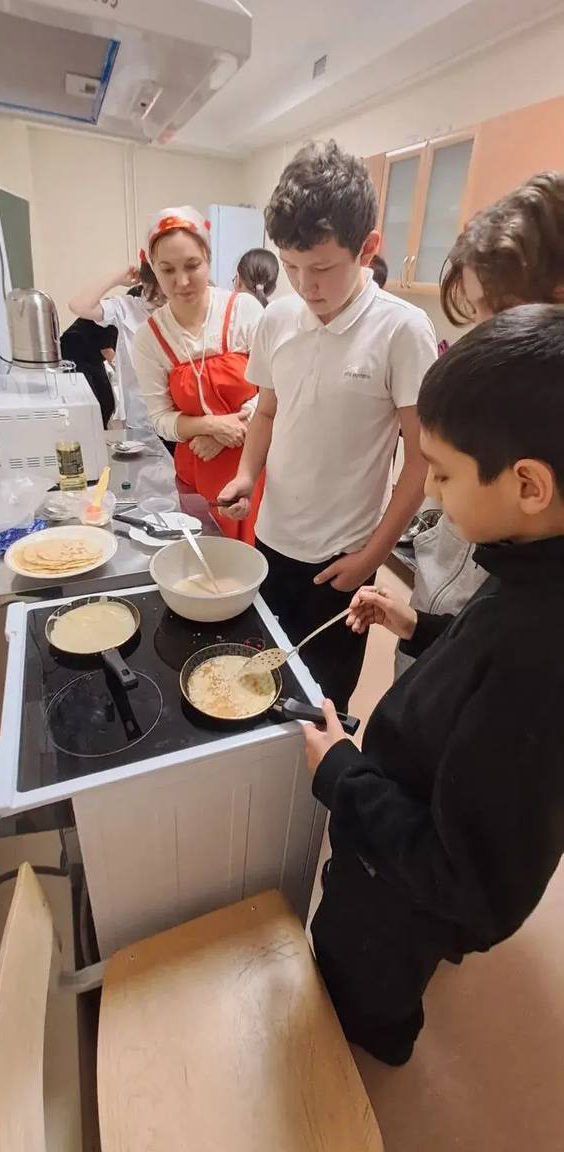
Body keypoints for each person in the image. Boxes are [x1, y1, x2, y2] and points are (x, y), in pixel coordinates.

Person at [303, 305, 564, 1066]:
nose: (430, 494)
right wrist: (416, 625)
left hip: (403, 881)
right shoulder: (529, 562)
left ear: (527, 483)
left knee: (362, 989)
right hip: (403, 833)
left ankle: (374, 1041)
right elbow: (480, 659)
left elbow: (466, 881)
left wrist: (341, 774)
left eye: (442, 474)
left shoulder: (538, 656)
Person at [219, 141, 437, 711]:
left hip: (343, 558)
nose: (304, 285)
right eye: (290, 267)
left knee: (322, 704)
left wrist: (371, 558)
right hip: (272, 538)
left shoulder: (402, 330)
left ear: (368, 249)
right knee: (260, 685)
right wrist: (246, 475)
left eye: (321, 268)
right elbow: (268, 411)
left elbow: (421, 461)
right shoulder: (277, 319)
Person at [396, 171, 564, 675]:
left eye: (502, 313)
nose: (484, 336)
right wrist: (419, 625)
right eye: (477, 314)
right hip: (440, 626)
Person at [132, 206, 264, 542]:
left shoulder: (244, 311)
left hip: (258, 462)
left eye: (192, 265)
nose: (182, 281)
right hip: (198, 468)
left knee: (258, 558)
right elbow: (160, 418)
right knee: (206, 555)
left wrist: (230, 431)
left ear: (208, 257)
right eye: (167, 270)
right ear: (153, 268)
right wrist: (211, 427)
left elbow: (275, 391)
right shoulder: (149, 339)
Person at [68, 255, 165, 432]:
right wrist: (117, 278)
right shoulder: (126, 308)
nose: (160, 301)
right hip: (141, 417)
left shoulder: (183, 308)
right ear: (144, 284)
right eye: (155, 294)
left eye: (164, 295)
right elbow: (79, 305)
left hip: (179, 418)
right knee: (103, 404)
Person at [60, 318, 118, 428]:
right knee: (90, 401)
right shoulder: (111, 316)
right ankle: (90, 431)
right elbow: (107, 351)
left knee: (107, 402)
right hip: (74, 353)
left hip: (93, 355)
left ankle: (100, 429)